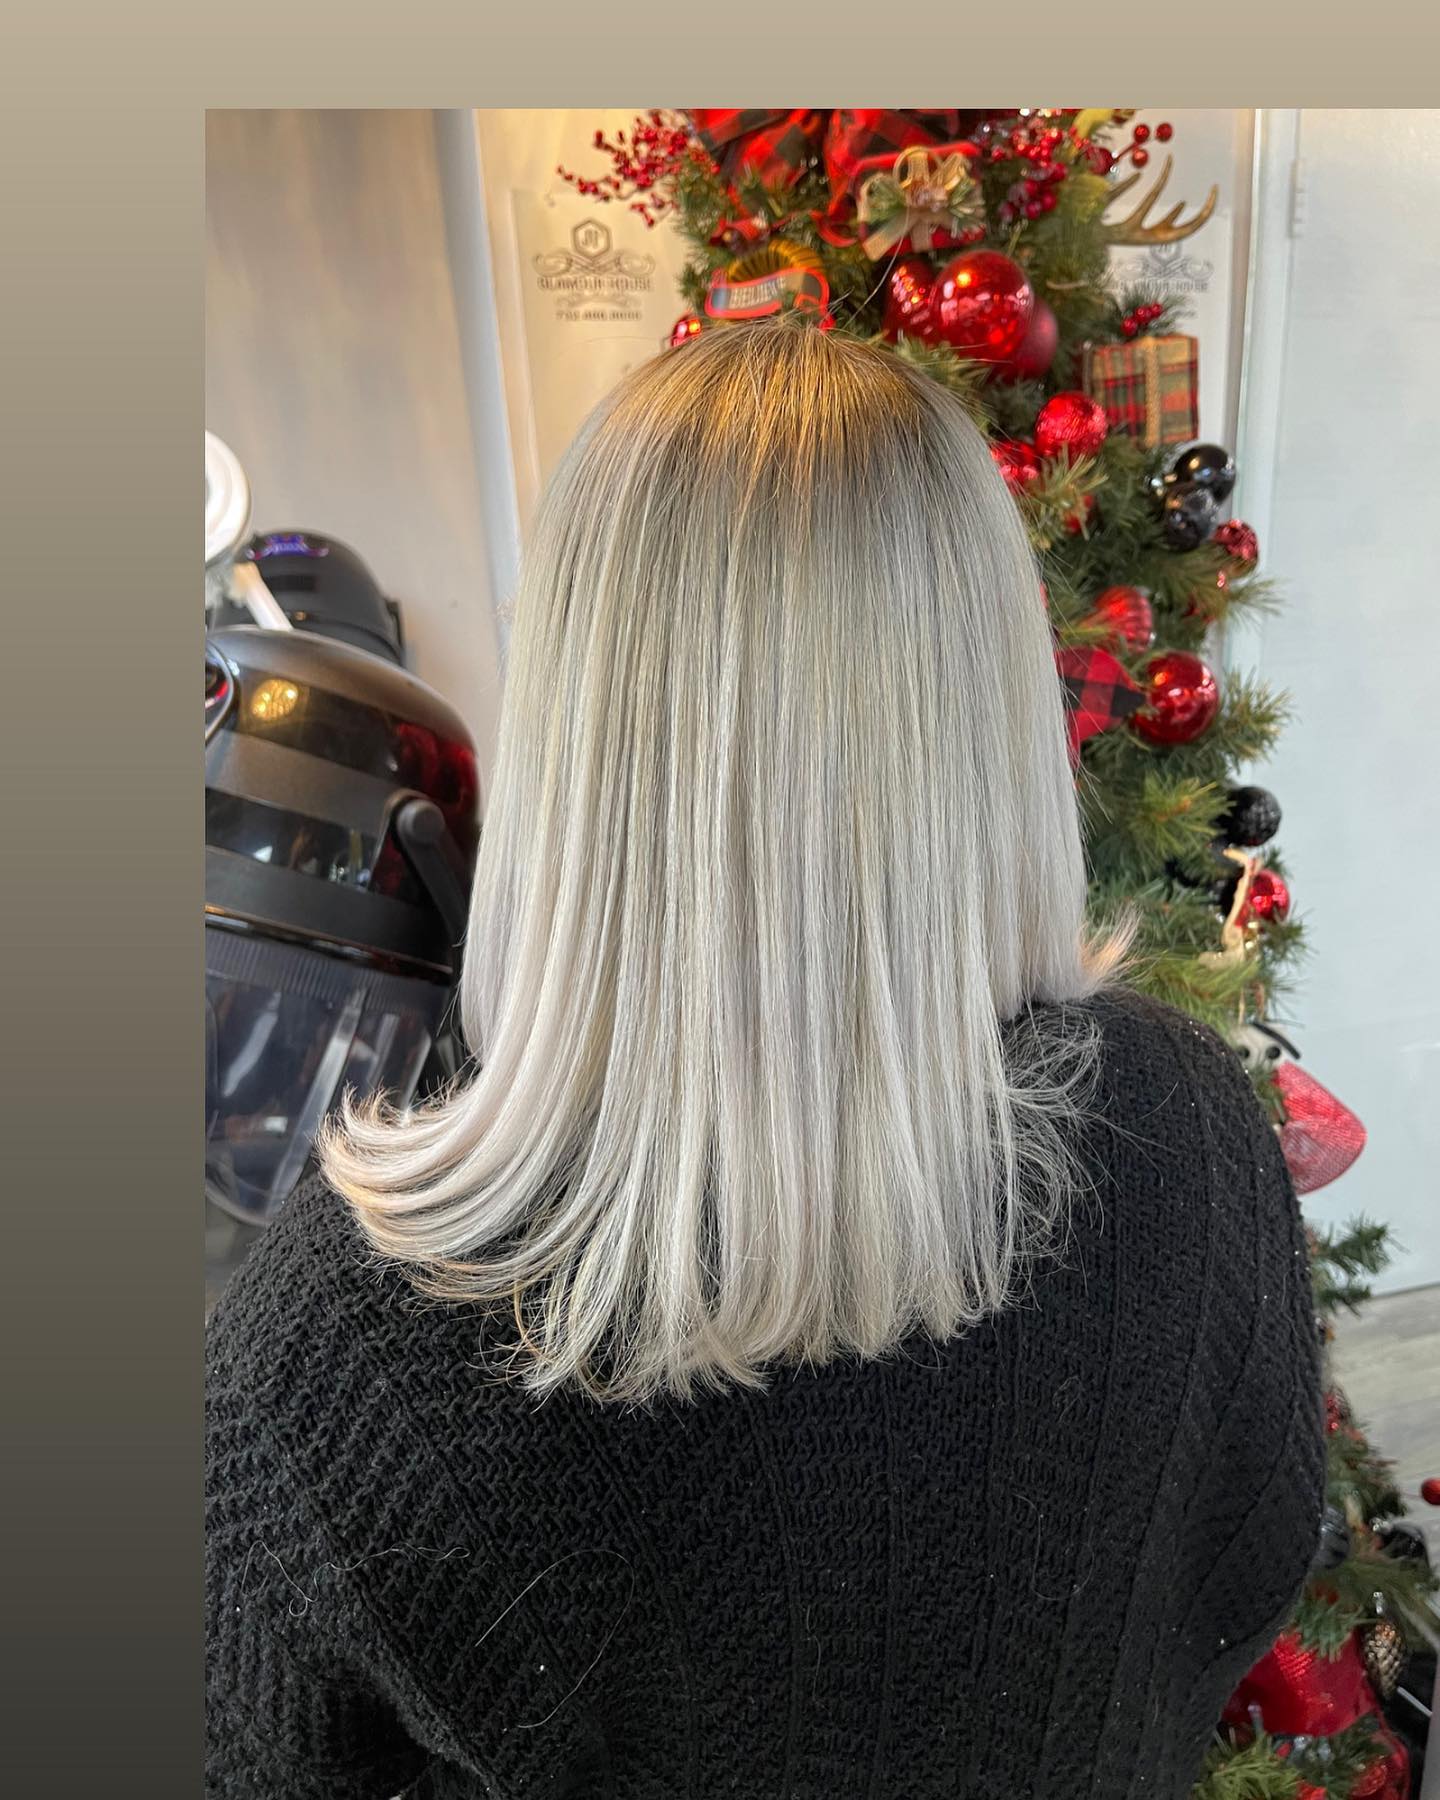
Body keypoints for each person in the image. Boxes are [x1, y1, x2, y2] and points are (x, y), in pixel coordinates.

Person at [205, 319, 1324, 1799]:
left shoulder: (356, 1340)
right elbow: (1249, 1570)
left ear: (578, 726)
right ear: (991, 702)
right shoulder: (1185, 1127)